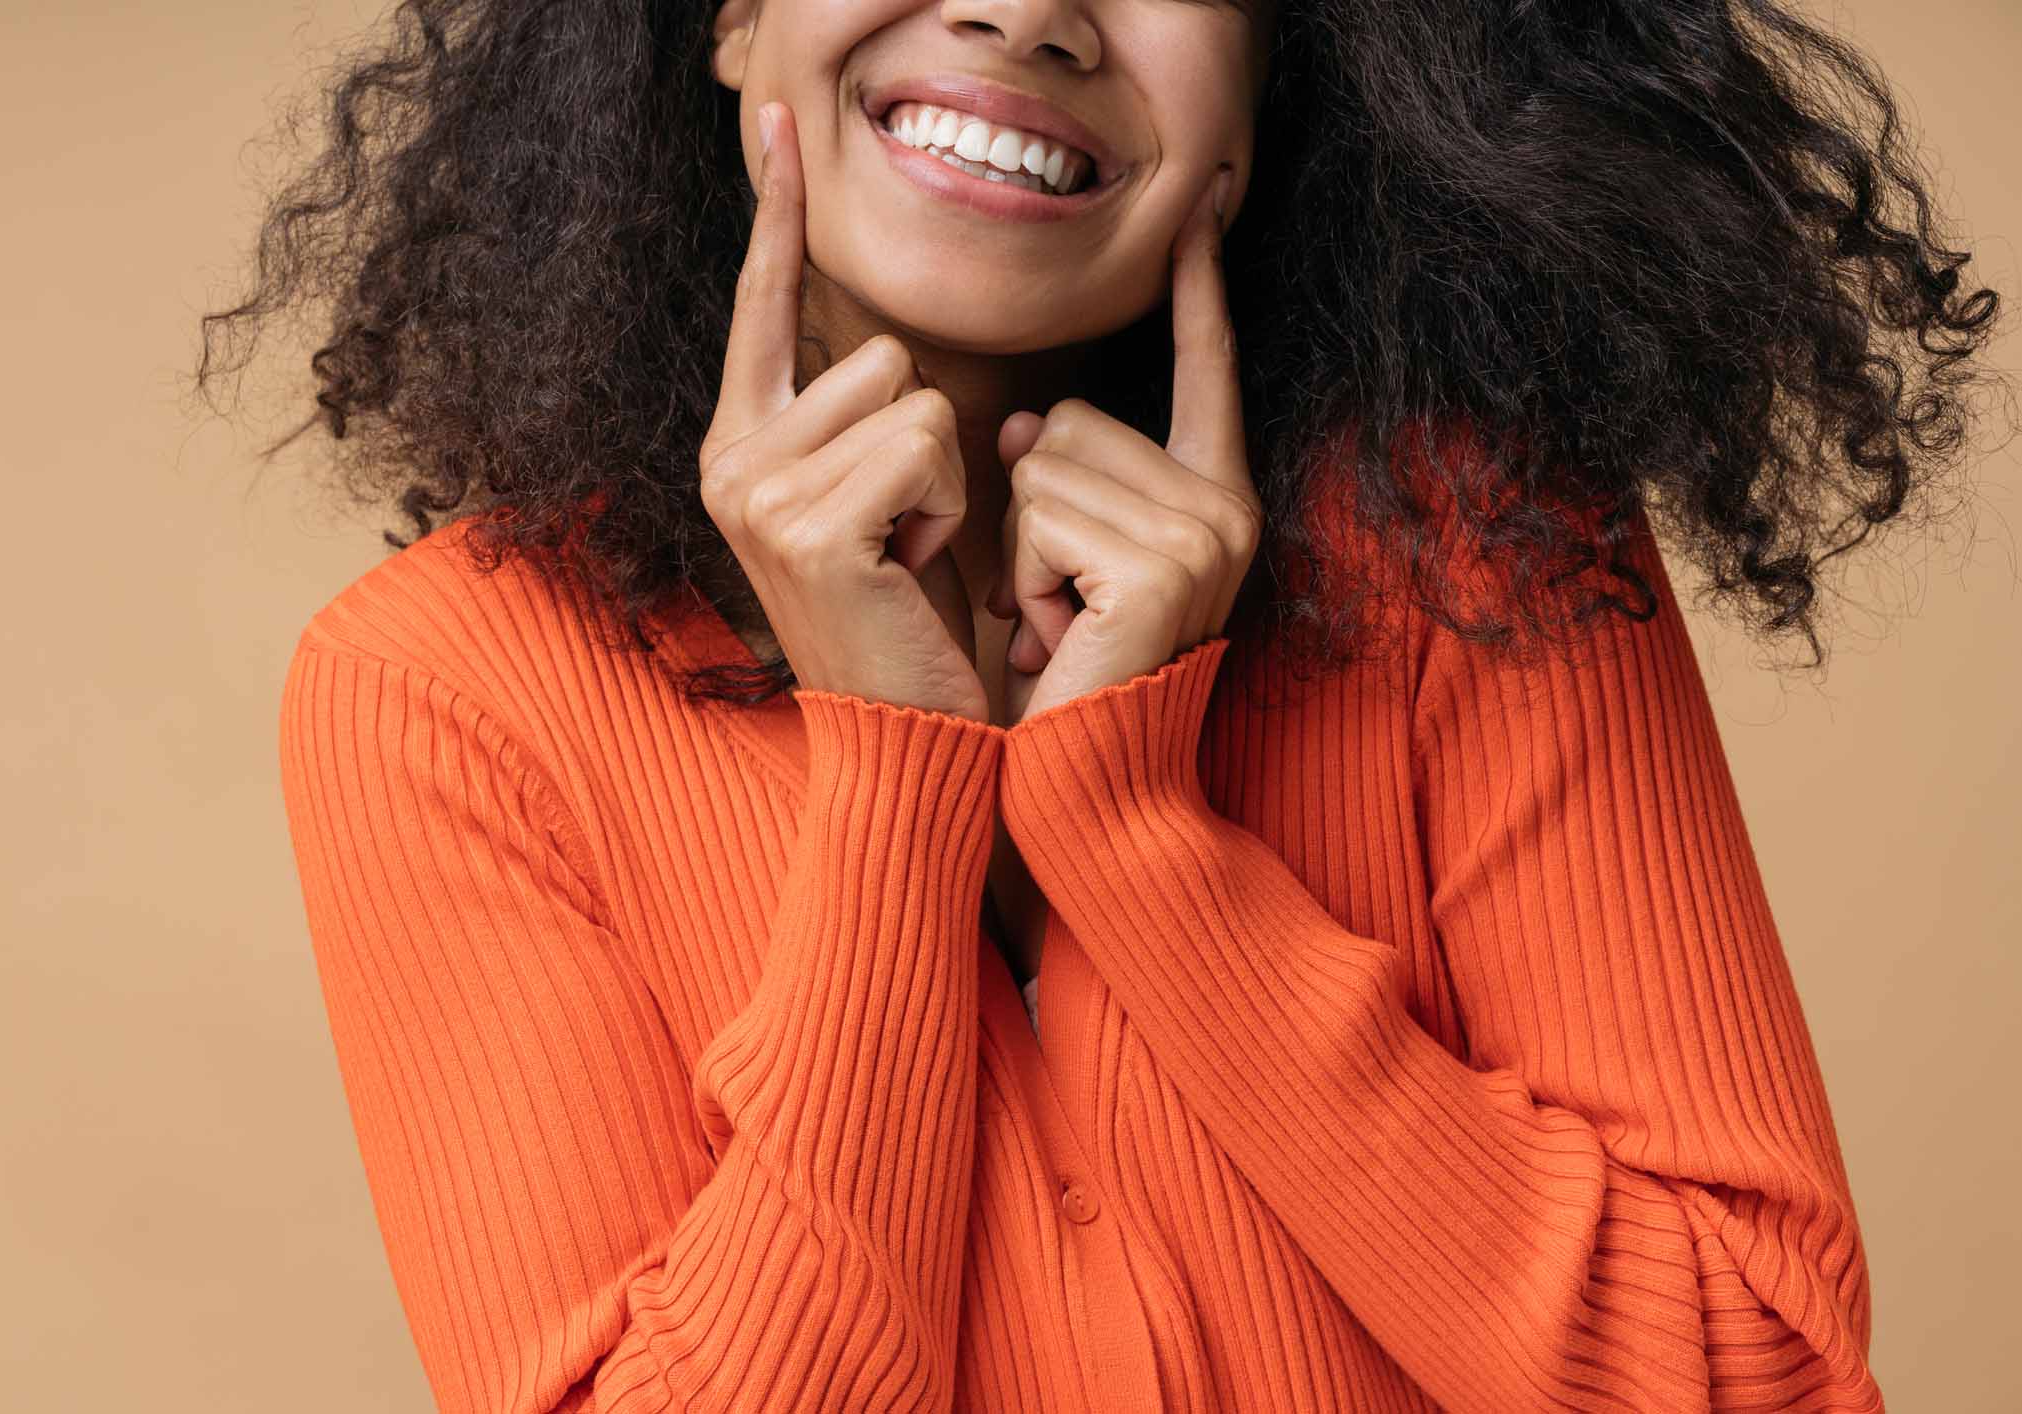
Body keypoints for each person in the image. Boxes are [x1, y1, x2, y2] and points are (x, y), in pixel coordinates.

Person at [206, 0, 2003, 1408]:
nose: (1026, 13)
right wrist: (898, 784)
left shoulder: (1477, 559)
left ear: (1259, 112)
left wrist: (1140, 834)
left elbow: (1755, 1377)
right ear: (732, 15)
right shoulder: (441, 689)